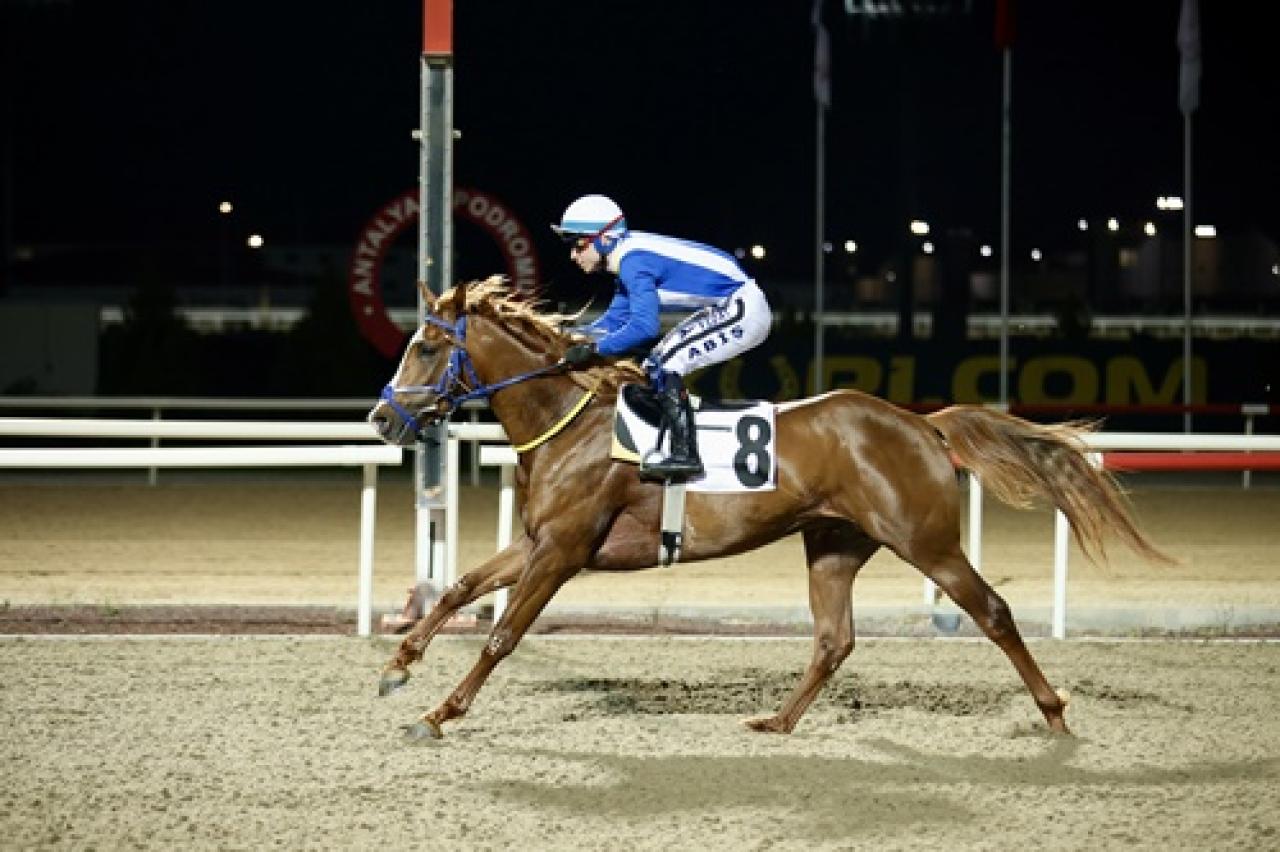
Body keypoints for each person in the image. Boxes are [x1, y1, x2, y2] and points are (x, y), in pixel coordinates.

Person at [551, 193, 771, 480]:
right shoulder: (626, 259)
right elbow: (612, 322)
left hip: (743, 307)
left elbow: (644, 328)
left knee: (666, 364)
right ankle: (674, 441)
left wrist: (594, 349)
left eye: (578, 244)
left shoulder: (633, 262)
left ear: (605, 239)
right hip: (730, 304)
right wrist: (568, 336)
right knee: (655, 364)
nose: (573, 255)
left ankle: (685, 454)